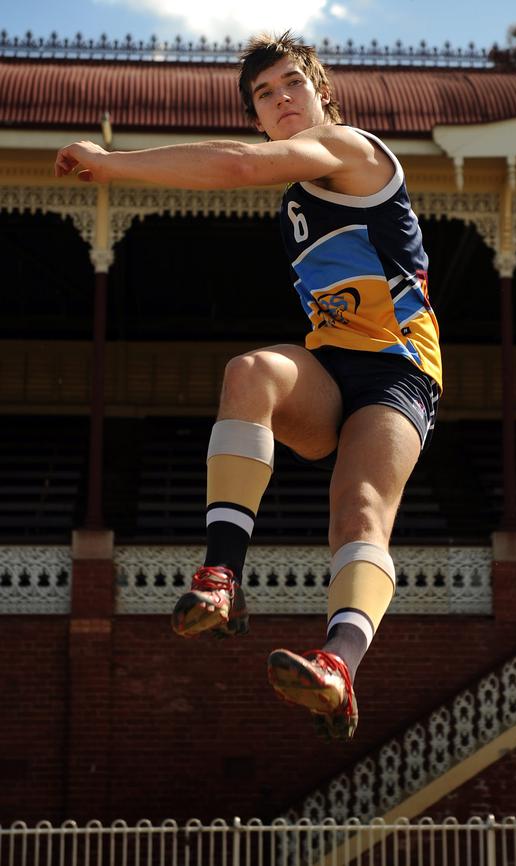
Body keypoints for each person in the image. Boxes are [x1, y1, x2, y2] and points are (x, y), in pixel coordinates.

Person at [54, 31, 442, 742]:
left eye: (292, 82)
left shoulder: (352, 149)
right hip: (329, 370)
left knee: (357, 509)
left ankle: (338, 666)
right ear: (258, 118)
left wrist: (112, 165)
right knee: (250, 372)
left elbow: (234, 167)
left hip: (398, 370)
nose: (282, 98)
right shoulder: (296, 194)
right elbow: (240, 165)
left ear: (321, 91)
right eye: (265, 95)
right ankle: (222, 580)